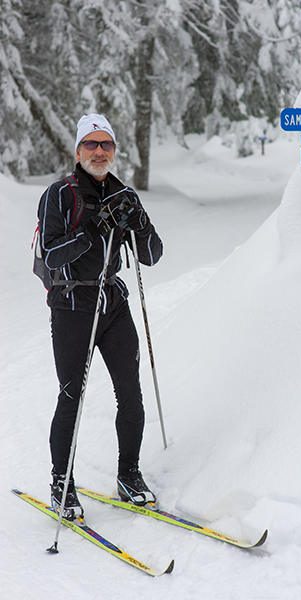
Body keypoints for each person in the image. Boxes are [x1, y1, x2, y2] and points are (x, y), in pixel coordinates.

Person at [37, 114, 163, 520]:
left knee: (131, 393)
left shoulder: (123, 192)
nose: (99, 151)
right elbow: (50, 254)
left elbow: (152, 255)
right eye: (90, 144)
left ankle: (129, 474)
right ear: (78, 151)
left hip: (112, 304)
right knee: (71, 395)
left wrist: (138, 222)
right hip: (72, 306)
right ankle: (62, 482)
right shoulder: (59, 194)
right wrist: (93, 229)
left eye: (106, 144)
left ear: (114, 151)